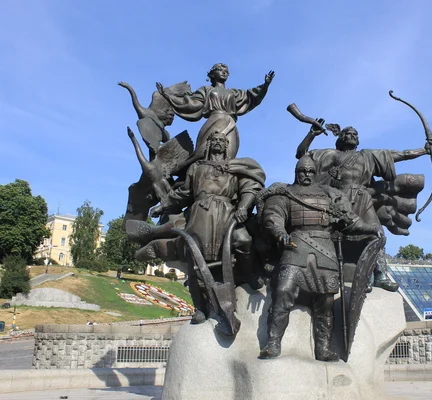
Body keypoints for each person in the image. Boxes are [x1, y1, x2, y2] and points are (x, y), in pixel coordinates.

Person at [128, 131, 265, 324]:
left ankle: (249, 274)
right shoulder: (196, 167)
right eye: (214, 140)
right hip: (201, 213)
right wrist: (163, 206)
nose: (218, 143)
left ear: (227, 146)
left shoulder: (236, 167)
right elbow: (184, 193)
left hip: (227, 213)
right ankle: (199, 308)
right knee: (195, 257)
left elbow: (250, 188)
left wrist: (243, 206)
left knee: (244, 240)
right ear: (208, 145)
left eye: (222, 141)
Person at [258, 156, 380, 361]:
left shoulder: (329, 195)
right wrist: (279, 231)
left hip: (325, 251)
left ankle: (323, 349)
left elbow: (349, 222)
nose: (306, 175)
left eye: (310, 171)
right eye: (302, 171)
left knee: (325, 302)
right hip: (295, 246)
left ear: (315, 173)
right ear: (296, 172)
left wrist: (371, 228)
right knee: (283, 290)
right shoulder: (285, 193)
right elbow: (273, 216)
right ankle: (273, 343)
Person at [295, 124, 432, 291]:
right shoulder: (331, 155)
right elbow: (302, 155)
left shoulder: (367, 156)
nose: (352, 136)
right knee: (329, 235)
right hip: (338, 199)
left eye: (355, 134)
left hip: (362, 198)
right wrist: (311, 134)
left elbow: (400, 154)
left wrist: (423, 151)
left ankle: (380, 274)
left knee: (377, 233)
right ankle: (329, 273)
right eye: (348, 133)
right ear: (341, 138)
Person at [157, 63, 275, 159]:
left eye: (226, 71)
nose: (224, 72)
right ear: (213, 74)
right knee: (202, 155)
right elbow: (192, 104)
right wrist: (168, 97)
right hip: (213, 122)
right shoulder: (206, 90)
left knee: (229, 158)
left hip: (230, 125)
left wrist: (265, 85)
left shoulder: (234, 93)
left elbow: (251, 97)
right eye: (220, 69)